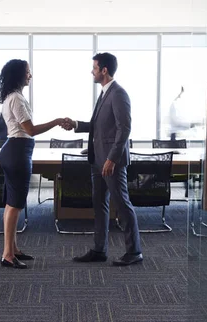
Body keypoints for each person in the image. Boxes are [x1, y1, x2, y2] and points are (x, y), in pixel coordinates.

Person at [61, 52, 143, 266]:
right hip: (98, 160)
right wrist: (76, 125)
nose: (92, 71)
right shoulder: (104, 93)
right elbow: (97, 126)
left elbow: (124, 129)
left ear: (104, 70)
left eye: (94, 68)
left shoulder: (118, 93)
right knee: (99, 205)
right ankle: (99, 249)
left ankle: (134, 252)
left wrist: (112, 159)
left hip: (111, 162)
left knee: (122, 205)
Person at [0, 59, 66, 269]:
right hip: (18, 151)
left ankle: (13, 249)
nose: (30, 75)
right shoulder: (16, 99)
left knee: (12, 203)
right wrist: (56, 121)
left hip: (16, 150)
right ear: (19, 74)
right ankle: (8, 255)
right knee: (15, 204)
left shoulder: (12, 97)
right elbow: (31, 130)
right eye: (28, 72)